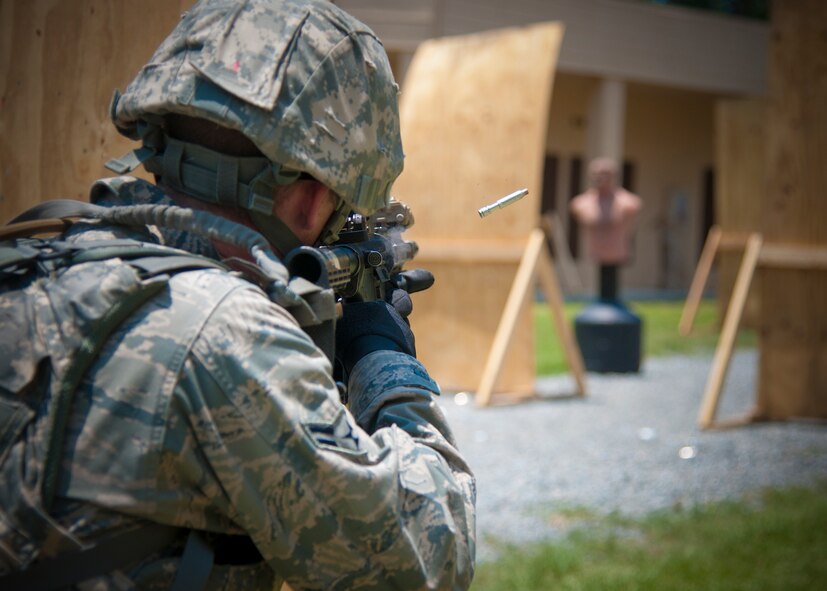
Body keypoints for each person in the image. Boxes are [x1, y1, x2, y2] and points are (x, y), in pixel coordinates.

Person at [0, 1, 475, 589]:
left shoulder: (37, 256)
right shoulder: (225, 337)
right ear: (308, 199)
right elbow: (429, 556)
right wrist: (386, 365)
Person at [569, 157, 642, 301]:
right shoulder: (582, 203)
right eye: (597, 173)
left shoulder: (627, 203)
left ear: (614, 176)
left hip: (617, 251)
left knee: (611, 283)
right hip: (596, 250)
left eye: (605, 173)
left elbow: (635, 205)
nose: (600, 177)